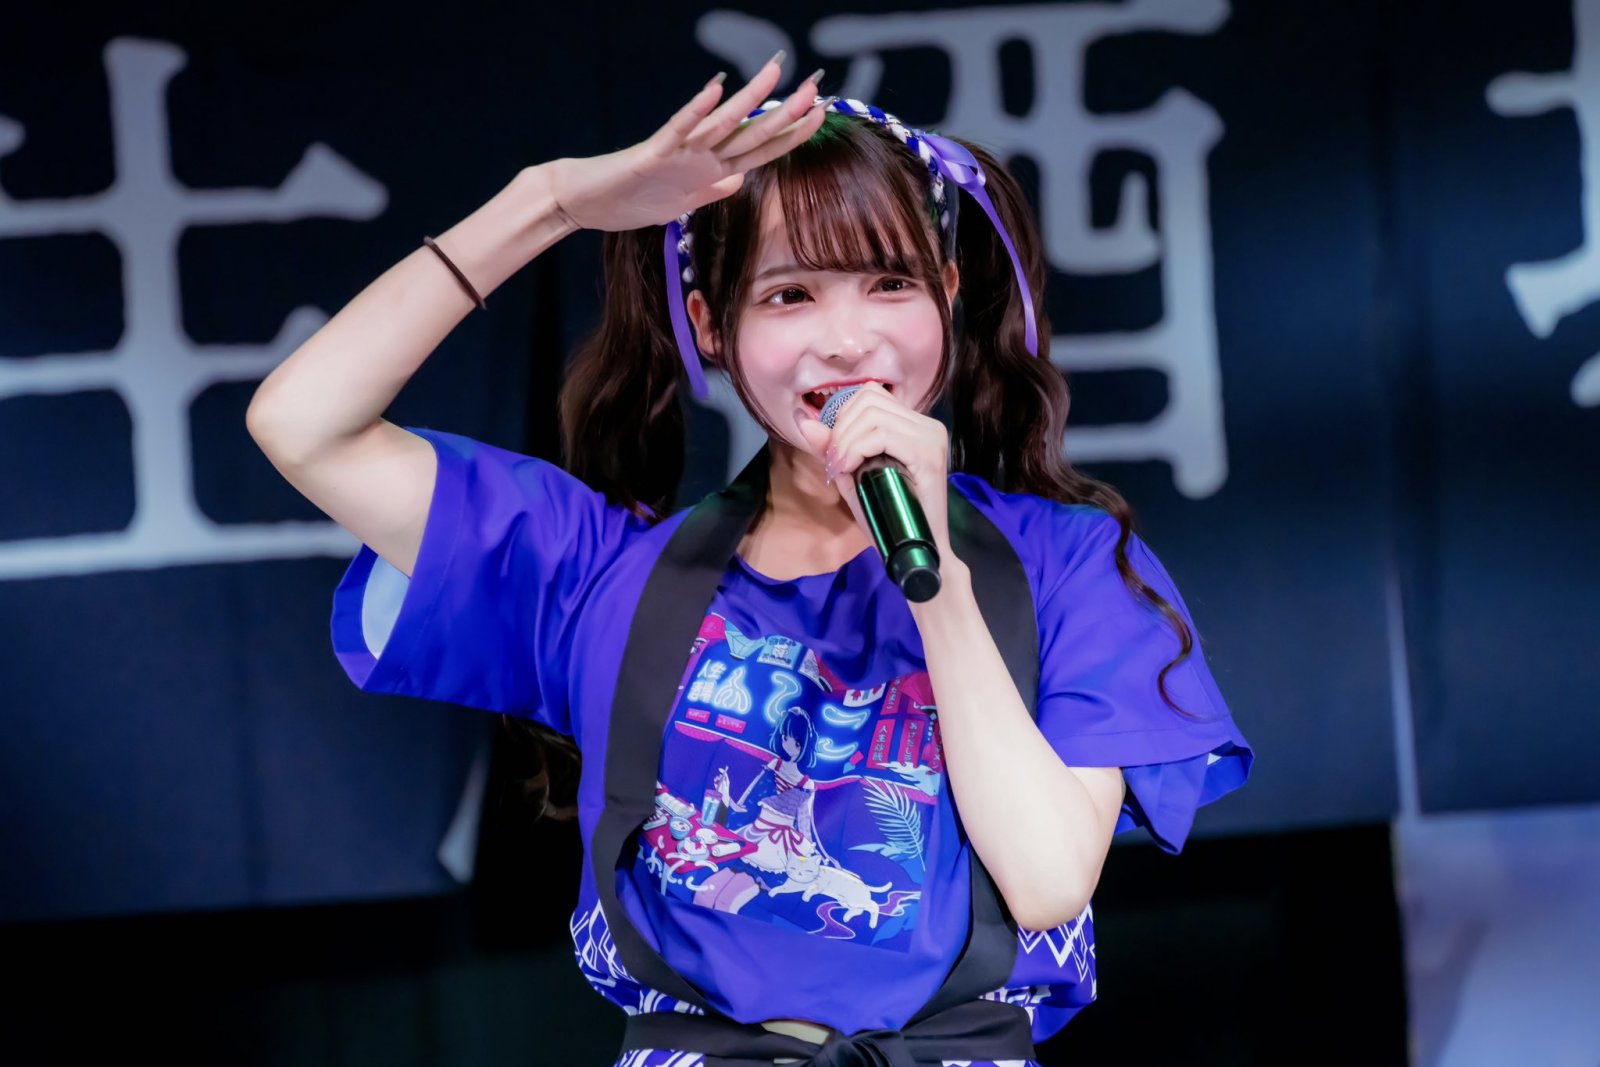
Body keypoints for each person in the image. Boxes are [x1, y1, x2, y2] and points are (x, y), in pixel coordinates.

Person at [247, 53, 1253, 1067]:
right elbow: (303, 425)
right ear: (710, 325)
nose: (846, 339)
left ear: (948, 295)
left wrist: (936, 576)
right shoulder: (601, 572)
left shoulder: (1068, 564)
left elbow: (1047, 880)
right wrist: (548, 201)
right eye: (789, 295)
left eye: (890, 283)